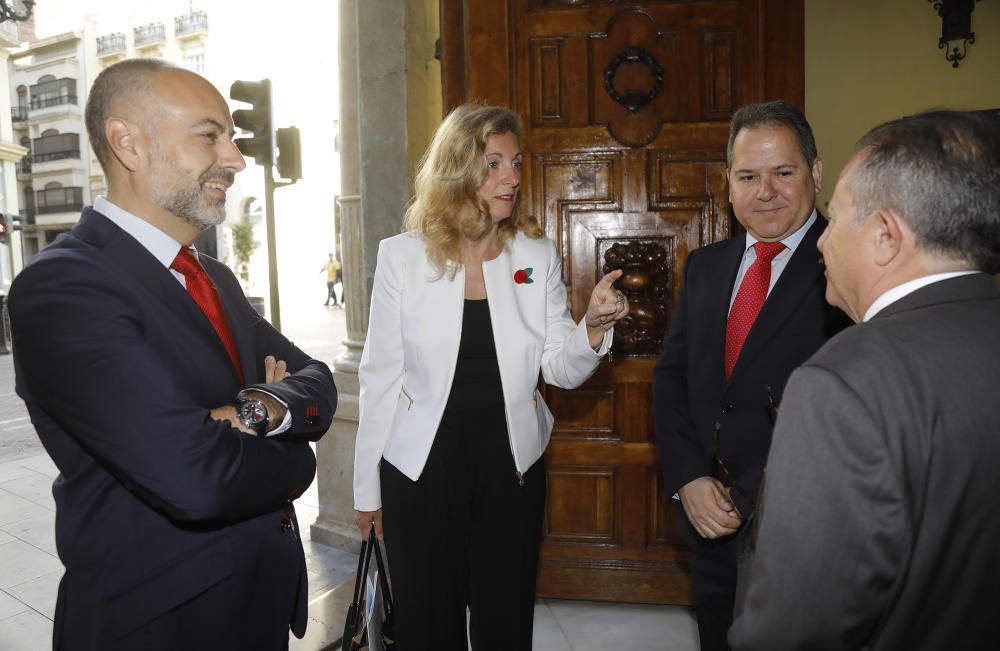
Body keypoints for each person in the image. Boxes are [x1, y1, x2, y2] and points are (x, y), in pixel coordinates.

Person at [7, 59, 337, 650]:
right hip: (161, 622)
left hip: (257, 605)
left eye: (232, 138)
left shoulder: (213, 276)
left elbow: (319, 381)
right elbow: (197, 478)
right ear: (127, 142)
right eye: (210, 136)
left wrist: (246, 414)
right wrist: (296, 459)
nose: (235, 159)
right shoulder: (63, 288)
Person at [352, 103, 628, 650]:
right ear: (459, 170)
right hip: (419, 472)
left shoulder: (535, 253)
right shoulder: (402, 258)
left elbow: (560, 368)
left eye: (516, 163)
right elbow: (379, 377)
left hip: (511, 472)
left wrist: (592, 329)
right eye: (495, 163)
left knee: (505, 621)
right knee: (429, 626)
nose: (513, 177)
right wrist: (367, 491)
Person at [729, 110, 1000, 650]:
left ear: (884, 236)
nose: (824, 241)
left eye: (839, 217)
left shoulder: (840, 383)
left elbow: (794, 628)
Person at [653, 100, 850, 651]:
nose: (765, 190)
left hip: (799, 525)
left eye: (783, 173)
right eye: (748, 176)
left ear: (814, 173)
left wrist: (749, 493)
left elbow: (846, 406)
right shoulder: (707, 265)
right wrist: (690, 478)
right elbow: (671, 380)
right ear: (729, 184)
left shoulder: (848, 265)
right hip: (706, 520)